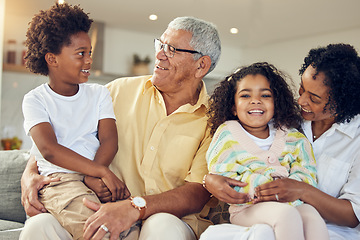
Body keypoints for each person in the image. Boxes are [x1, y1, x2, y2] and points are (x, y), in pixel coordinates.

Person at [20, 16, 222, 240]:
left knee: (159, 225)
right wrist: (29, 174)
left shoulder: (214, 120)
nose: (159, 54)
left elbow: (197, 192)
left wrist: (134, 208)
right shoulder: (116, 91)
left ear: (201, 65)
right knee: (38, 226)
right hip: (102, 207)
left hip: (170, 220)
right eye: (160, 44)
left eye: (172, 49)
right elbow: (60, 139)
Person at [201, 43, 360, 240]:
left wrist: (301, 189)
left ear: (342, 104)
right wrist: (209, 180)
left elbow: (352, 216)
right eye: (301, 89)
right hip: (262, 213)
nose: (301, 101)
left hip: (332, 231)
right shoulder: (286, 120)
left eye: (314, 98)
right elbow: (225, 162)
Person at [20, 3, 130, 240]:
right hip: (59, 183)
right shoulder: (35, 100)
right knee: (103, 231)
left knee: (130, 229)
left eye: (90, 52)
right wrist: (100, 171)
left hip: (92, 178)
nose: (89, 60)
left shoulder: (99, 93)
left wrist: (93, 176)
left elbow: (109, 140)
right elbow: (49, 150)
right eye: (81, 54)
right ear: (52, 59)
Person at [205, 62, 328, 240]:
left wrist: (291, 187)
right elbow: (223, 172)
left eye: (265, 95)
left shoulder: (294, 137)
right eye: (245, 95)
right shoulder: (227, 135)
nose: (255, 100)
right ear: (233, 106)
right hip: (247, 208)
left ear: (276, 103)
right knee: (286, 215)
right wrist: (268, 188)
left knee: (313, 217)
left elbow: (307, 170)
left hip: (293, 202)